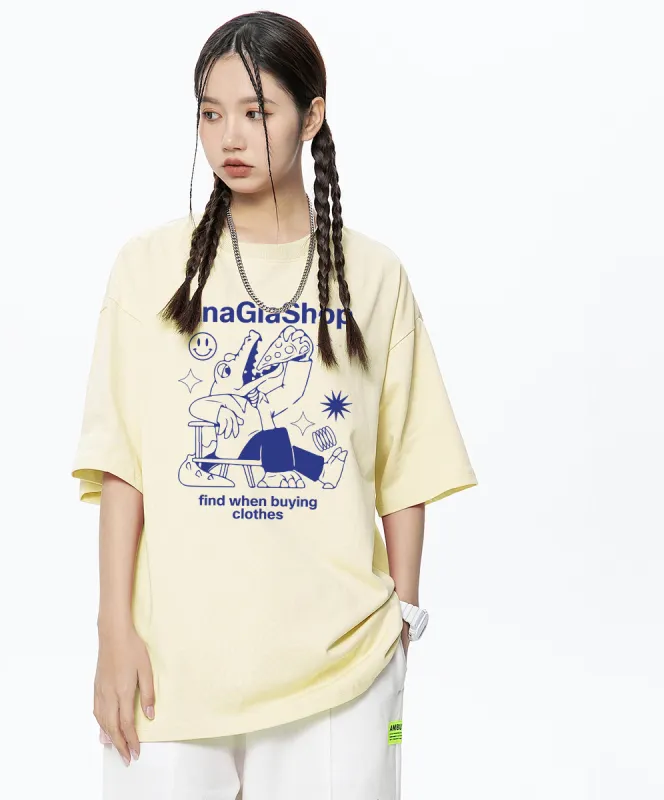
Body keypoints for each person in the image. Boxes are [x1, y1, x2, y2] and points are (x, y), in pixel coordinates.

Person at [71, 11, 477, 800]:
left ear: (311, 115)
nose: (229, 137)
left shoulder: (373, 275)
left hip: (340, 670)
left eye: (256, 113)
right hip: (171, 669)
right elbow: (124, 463)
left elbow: (406, 463)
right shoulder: (148, 267)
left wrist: (402, 619)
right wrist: (112, 631)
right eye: (210, 113)